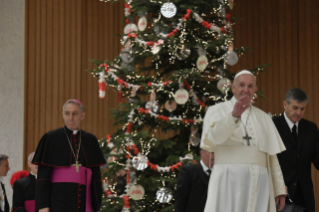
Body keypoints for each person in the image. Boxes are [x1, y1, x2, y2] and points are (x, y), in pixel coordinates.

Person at [200, 70, 287, 212]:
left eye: (250, 86)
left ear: (255, 90)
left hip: (260, 184)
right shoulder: (216, 110)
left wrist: (279, 189)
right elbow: (213, 138)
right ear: (233, 88)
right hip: (228, 182)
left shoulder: (263, 118)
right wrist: (233, 117)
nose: (246, 90)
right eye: (241, 85)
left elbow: (271, 157)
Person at [32, 99, 106, 212]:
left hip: (83, 199)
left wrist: (96, 205)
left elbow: (96, 178)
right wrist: (43, 206)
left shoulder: (90, 140)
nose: (70, 118)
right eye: (67, 113)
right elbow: (43, 177)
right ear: (63, 115)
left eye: (75, 114)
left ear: (82, 115)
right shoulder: (50, 138)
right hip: (57, 201)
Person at [273, 88, 319, 212]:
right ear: (285, 104)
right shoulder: (272, 126)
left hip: (305, 196)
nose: (299, 112)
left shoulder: (311, 128)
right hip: (280, 195)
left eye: (302, 108)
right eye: (295, 108)